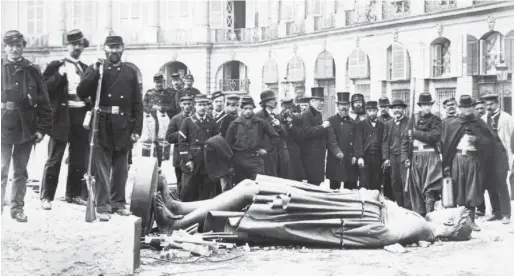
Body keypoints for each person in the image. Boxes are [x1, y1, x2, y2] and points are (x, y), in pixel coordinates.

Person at [153, 176, 473, 247]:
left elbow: (380, 232)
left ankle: (177, 221)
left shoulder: (422, 228)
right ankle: (179, 208)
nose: (444, 207)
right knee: (249, 186)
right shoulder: (419, 223)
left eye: (450, 212)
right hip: (332, 202)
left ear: (448, 224)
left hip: (328, 211)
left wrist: (371, 202)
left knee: (250, 192)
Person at [77, 35, 143, 221]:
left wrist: (137, 129)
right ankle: (103, 205)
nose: (114, 51)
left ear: (123, 49)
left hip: (123, 123)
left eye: (118, 47)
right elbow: (81, 92)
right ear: (105, 49)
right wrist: (95, 72)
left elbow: (138, 103)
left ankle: (118, 203)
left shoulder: (129, 72)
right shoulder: (97, 68)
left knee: (121, 166)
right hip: (102, 122)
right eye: (111, 47)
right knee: (102, 166)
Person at [1, 30, 52, 222]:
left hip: (26, 126)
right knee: (1, 169)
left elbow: (45, 102)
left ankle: (17, 208)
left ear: (23, 47)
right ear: (5, 47)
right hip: (2, 125)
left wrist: (42, 129)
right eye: (11, 45)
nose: (15, 49)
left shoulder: (32, 70)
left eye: (19, 45)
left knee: (20, 171)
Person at [40, 29, 89, 210]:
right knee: (55, 158)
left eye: (80, 44)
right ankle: (47, 196)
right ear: (67, 46)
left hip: (80, 117)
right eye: (73, 44)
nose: (77, 47)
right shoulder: (55, 65)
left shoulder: (85, 68)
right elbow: (44, 89)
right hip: (61, 117)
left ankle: (73, 194)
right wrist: (59, 74)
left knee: (78, 159)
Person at [440, 95, 500, 231]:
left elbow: (489, 142)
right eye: (464, 107)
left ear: (473, 107)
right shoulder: (453, 123)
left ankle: (471, 221)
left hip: (474, 160)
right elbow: (447, 145)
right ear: (460, 108)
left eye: (469, 107)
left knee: (473, 190)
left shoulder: (479, 123)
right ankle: (457, 221)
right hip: (457, 159)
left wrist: (477, 139)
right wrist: (447, 165)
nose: (467, 110)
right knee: (457, 189)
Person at [402, 93, 442, 217]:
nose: (427, 107)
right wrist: (404, 157)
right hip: (415, 156)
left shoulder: (435, 120)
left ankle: (430, 215)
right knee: (416, 188)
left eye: (429, 105)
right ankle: (420, 217)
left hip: (430, 157)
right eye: (424, 105)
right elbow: (405, 139)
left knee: (430, 186)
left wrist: (416, 133)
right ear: (420, 106)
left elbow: (434, 136)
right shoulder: (412, 119)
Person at [225, 96, 280, 184]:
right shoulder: (234, 124)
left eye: (250, 108)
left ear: (254, 109)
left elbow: (275, 137)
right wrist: (230, 164)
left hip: (255, 159)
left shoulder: (261, 122)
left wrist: (267, 150)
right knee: (240, 187)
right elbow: (227, 145)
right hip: (239, 160)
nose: (248, 111)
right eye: (245, 108)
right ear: (241, 109)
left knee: (258, 186)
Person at [178, 94, 219, 202]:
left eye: (205, 105)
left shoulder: (212, 122)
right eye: (200, 104)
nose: (202, 107)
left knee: (206, 192)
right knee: (188, 191)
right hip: (192, 162)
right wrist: (187, 159)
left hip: (207, 162)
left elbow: (217, 142)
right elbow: (182, 143)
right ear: (195, 106)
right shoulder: (187, 121)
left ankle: (202, 218)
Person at [480, 94, 512, 223]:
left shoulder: (507, 118)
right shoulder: (482, 119)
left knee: (501, 184)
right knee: (490, 184)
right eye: (486, 105)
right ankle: (496, 212)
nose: (488, 107)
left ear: (497, 104)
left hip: (502, 154)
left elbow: (511, 138)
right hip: (488, 156)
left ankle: (506, 214)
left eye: (491, 104)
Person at [297, 87, 330, 185]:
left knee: (316, 182)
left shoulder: (317, 113)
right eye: (320, 101)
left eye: (323, 101)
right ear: (312, 101)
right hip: (310, 157)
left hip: (317, 155)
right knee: (312, 183)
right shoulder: (307, 114)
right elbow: (306, 132)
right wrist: (322, 127)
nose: (322, 103)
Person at [326, 92, 358, 190]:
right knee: (334, 190)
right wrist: (338, 153)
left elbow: (356, 141)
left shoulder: (353, 122)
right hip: (336, 160)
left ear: (349, 106)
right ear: (337, 106)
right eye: (341, 105)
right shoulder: (331, 121)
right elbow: (331, 141)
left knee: (350, 190)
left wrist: (355, 156)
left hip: (350, 160)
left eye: (346, 105)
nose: (344, 107)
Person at [142, 73, 174, 167]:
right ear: (154, 82)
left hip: (162, 121)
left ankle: (161, 165)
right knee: (148, 143)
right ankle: (147, 165)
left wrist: (161, 108)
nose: (159, 84)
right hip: (151, 121)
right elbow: (143, 105)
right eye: (157, 82)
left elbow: (172, 107)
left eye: (160, 82)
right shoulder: (149, 93)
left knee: (162, 143)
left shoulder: (168, 94)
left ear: (163, 82)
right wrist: (149, 109)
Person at [382, 99, 409, 208]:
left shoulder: (409, 121)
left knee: (406, 182)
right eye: (395, 108)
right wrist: (386, 158)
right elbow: (385, 142)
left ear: (403, 109)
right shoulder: (388, 124)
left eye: (400, 108)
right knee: (395, 181)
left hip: (405, 157)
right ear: (392, 110)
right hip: (393, 157)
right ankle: (399, 206)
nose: (397, 110)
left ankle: (408, 207)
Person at [165, 96, 193, 197]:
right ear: (180, 105)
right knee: (181, 182)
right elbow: (168, 137)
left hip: (194, 154)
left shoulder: (195, 117)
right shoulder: (176, 119)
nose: (187, 106)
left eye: (189, 104)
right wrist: (182, 133)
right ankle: (181, 202)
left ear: (192, 104)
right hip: (179, 155)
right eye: (184, 104)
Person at [355, 101, 385, 191]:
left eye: (374, 110)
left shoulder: (382, 125)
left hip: (378, 158)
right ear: (366, 112)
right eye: (369, 110)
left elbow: (384, 142)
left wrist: (384, 158)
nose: (372, 113)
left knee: (376, 184)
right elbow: (358, 142)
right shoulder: (360, 125)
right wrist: (360, 157)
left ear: (377, 111)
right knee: (364, 183)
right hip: (365, 157)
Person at [255, 90, 282, 177]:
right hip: (265, 152)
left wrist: (278, 125)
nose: (275, 102)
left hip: (276, 152)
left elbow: (282, 134)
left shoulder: (276, 116)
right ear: (266, 103)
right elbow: (256, 134)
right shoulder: (259, 115)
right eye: (272, 99)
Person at [282, 105, 306, 181]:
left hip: (296, 151)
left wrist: (291, 125)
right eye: (293, 112)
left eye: (296, 112)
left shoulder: (299, 121)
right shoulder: (282, 119)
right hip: (285, 151)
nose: (294, 114)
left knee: (295, 174)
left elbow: (300, 135)